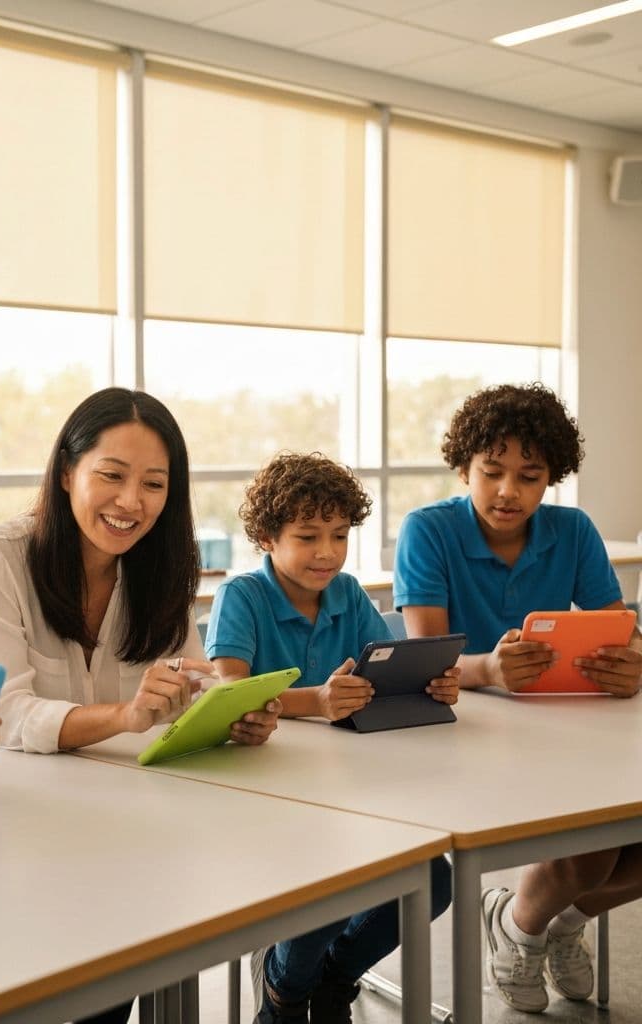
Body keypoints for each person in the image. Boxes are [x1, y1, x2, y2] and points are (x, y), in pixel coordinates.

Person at [0, 387, 280, 1024]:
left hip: (125, 829)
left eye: (154, 484)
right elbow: (7, 714)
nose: (131, 502)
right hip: (13, 835)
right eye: (111, 476)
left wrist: (232, 713)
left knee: (118, 982)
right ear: (67, 470)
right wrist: (127, 716)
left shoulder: (158, 566)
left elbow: (192, 679)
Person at [394, 382, 642, 1014]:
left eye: (529, 476)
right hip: (462, 731)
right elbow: (427, 661)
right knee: (598, 842)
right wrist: (489, 668)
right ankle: (526, 928)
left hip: (564, 726)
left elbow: (619, 631)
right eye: (492, 472)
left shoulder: (574, 530)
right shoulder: (427, 530)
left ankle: (538, 926)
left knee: (623, 837)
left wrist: (630, 666)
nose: (509, 491)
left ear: (550, 478)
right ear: (463, 468)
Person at [205, 451, 457, 1024]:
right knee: (327, 881)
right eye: (308, 536)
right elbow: (229, 695)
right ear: (268, 537)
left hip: (351, 787)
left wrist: (427, 682)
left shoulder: (346, 592)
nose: (327, 552)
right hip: (267, 793)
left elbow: (380, 674)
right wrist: (316, 702)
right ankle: (284, 990)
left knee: (435, 880)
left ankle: (334, 977)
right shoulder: (241, 597)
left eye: (339, 535)